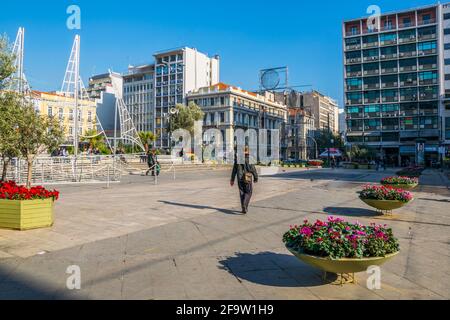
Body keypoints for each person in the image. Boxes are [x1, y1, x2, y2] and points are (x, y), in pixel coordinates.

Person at [230, 148, 258, 214]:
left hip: (239, 178)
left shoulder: (238, 159)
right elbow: (253, 169)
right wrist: (256, 177)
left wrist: (232, 179)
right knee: (249, 192)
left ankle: (244, 208)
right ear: (248, 152)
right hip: (247, 178)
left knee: (242, 192)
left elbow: (234, 170)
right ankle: (245, 205)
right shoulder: (250, 159)